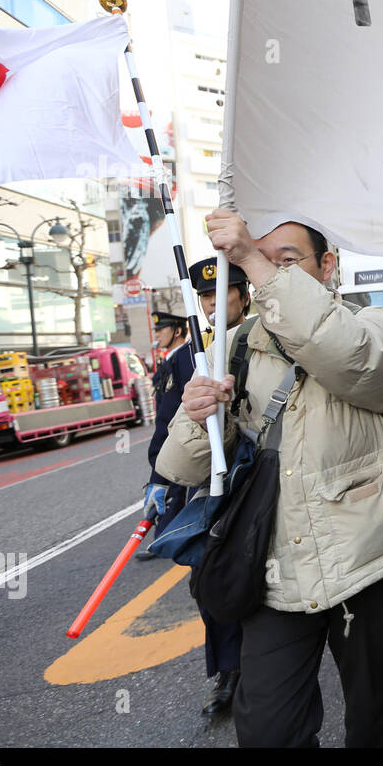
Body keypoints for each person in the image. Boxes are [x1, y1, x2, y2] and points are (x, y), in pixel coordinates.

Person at [157, 210, 383, 748]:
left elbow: (353, 361)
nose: (265, 275)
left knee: (373, 716)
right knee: (269, 729)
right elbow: (183, 467)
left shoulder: (375, 324)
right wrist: (195, 412)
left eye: (287, 262)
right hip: (274, 567)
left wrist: (250, 255)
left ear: (328, 266)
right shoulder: (232, 347)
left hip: (361, 558)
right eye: (259, 262)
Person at [142, 258, 250, 716]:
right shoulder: (185, 359)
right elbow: (165, 429)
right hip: (208, 492)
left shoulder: (268, 341)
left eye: (222, 292)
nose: (211, 304)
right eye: (204, 297)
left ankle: (268, 663)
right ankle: (230, 670)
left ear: (244, 295)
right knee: (210, 580)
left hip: (259, 480)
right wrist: (158, 482)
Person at [135, 312, 190, 561]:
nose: (157, 334)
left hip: (178, 439)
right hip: (169, 439)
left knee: (176, 487)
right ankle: (165, 535)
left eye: (162, 329)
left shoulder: (185, 360)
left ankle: (167, 536)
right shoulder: (170, 360)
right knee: (173, 490)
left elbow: (174, 413)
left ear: (177, 331)